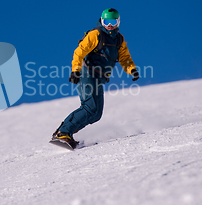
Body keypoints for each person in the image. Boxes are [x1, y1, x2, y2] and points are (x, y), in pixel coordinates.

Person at [51, 8, 139, 148]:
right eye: (106, 21)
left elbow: (124, 57)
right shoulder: (96, 34)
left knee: (96, 114)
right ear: (102, 21)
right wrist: (75, 71)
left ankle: (67, 133)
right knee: (89, 107)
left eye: (113, 21)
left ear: (118, 22)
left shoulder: (119, 39)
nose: (109, 25)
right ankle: (63, 132)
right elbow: (79, 52)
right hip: (87, 73)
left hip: (99, 78)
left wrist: (132, 70)